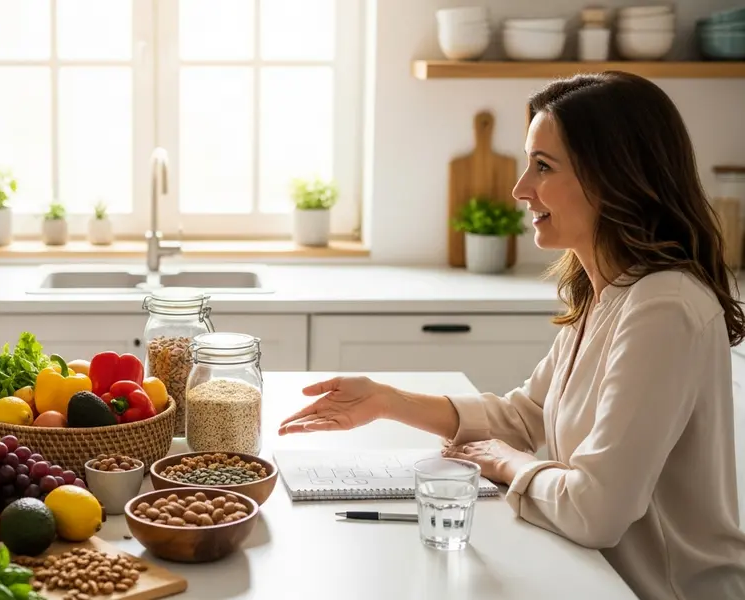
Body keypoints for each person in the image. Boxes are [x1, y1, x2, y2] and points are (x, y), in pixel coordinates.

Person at [281, 71, 745, 600]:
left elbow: (595, 512)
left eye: (543, 167)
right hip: (598, 578)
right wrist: (387, 401)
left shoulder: (664, 308)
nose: (520, 189)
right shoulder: (609, 292)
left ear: (614, 179)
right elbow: (526, 417)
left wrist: (507, 462)